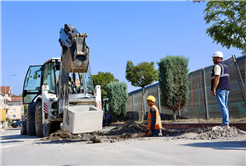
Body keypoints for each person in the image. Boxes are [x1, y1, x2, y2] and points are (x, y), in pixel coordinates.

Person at [211, 51, 230, 129]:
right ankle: (226, 123)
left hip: (220, 88)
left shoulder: (217, 66)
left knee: (222, 106)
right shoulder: (225, 66)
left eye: (214, 58)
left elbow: (217, 77)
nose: (213, 60)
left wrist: (214, 88)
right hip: (226, 88)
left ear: (218, 58)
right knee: (225, 106)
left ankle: (225, 123)